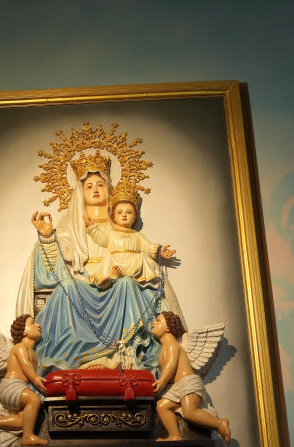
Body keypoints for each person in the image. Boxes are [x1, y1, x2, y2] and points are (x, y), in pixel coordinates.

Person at [16, 152, 184, 373]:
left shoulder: (122, 229)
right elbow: (49, 272)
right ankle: (79, 358)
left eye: (100, 185)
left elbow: (141, 251)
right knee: (66, 288)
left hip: (115, 282)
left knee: (126, 285)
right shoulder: (69, 230)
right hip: (83, 284)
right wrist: (47, 237)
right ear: (80, 191)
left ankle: (124, 352)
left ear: (109, 189)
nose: (95, 189)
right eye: (89, 186)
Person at [150, 311, 230, 444]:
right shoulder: (164, 347)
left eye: (158, 321)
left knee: (189, 412)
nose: (153, 323)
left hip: (188, 383)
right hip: (177, 387)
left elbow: (171, 364)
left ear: (168, 327)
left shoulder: (172, 344)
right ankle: (175, 435)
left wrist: (162, 381)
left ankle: (219, 423)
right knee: (161, 406)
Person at [85, 184, 176, 290]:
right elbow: (100, 238)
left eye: (129, 212)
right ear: (113, 216)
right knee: (107, 258)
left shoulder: (137, 235)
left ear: (135, 217)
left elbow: (147, 247)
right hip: (115, 260)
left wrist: (160, 251)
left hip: (132, 262)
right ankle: (107, 279)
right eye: (120, 212)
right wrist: (92, 226)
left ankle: (127, 274)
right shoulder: (111, 233)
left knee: (143, 258)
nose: (124, 215)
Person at [0, 314, 48, 446]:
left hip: (19, 386)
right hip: (11, 386)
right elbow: (26, 365)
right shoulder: (20, 347)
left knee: (26, 419)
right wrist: (35, 379)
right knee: (33, 400)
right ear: (24, 331)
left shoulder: (33, 352)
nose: (38, 325)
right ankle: (27, 437)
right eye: (33, 323)